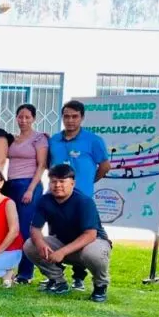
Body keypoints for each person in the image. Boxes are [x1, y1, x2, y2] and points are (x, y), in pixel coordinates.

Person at [24, 163, 112, 303]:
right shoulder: (45, 200)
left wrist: (62, 252)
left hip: (92, 243)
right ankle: (58, 281)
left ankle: (100, 285)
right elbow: (35, 229)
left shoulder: (84, 202)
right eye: (54, 181)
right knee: (30, 245)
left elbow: (90, 234)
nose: (57, 185)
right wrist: (40, 244)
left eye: (62, 181)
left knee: (92, 253)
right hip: (64, 242)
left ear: (72, 183)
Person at [48, 99, 111, 292]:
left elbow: (104, 166)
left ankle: (79, 278)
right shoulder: (54, 140)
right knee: (54, 237)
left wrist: (88, 182)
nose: (70, 120)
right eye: (66, 116)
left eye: (75, 116)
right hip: (56, 200)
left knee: (85, 237)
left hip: (82, 200)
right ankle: (55, 278)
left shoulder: (93, 140)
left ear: (82, 118)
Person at [6, 103, 49, 283]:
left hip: (28, 185)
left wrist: (31, 189)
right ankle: (6, 269)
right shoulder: (13, 139)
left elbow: (41, 165)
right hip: (11, 184)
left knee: (25, 229)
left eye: (27, 117)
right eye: (20, 117)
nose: (23, 120)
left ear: (33, 119)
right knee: (10, 228)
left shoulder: (39, 138)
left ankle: (25, 273)